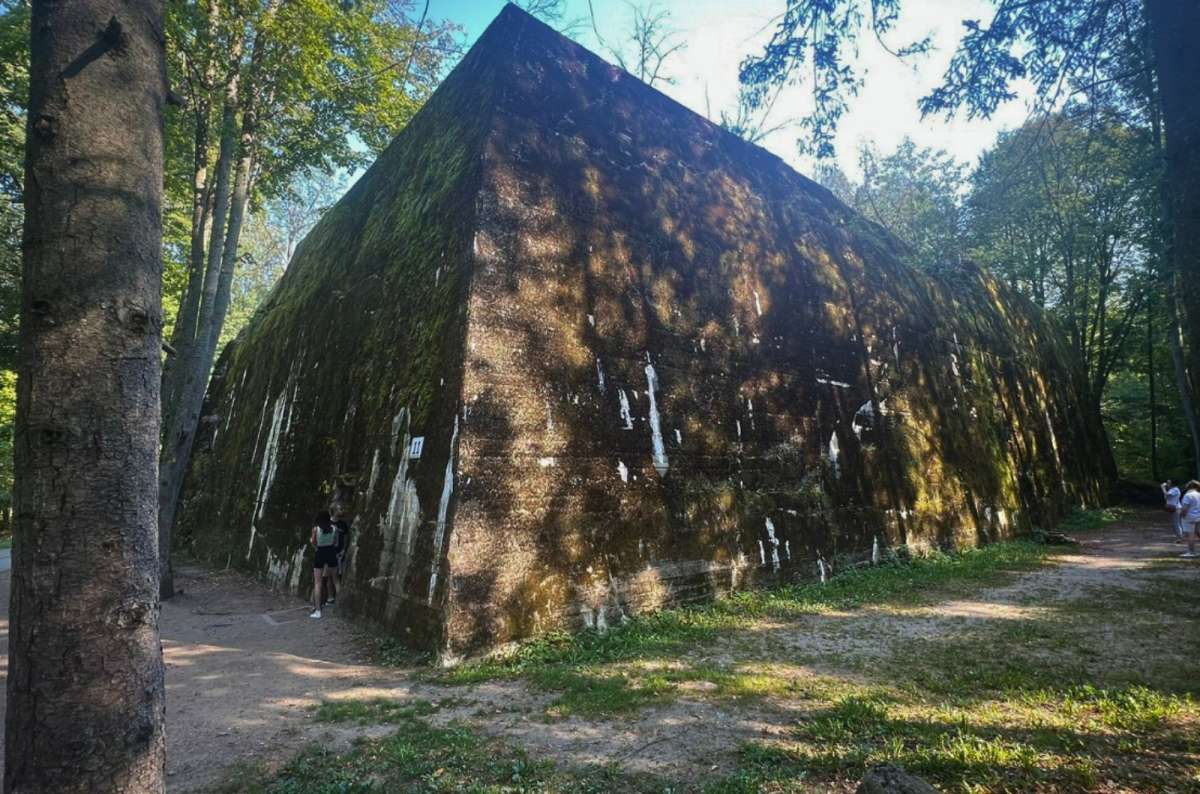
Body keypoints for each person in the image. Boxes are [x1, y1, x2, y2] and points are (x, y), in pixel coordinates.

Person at [310, 510, 339, 618]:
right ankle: (340, 607)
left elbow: (313, 542)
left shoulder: (316, 529)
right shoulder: (335, 529)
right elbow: (336, 542)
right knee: (336, 581)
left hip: (320, 553)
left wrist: (316, 548)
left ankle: (318, 611)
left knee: (318, 583)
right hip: (331, 552)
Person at [1179, 481, 1200, 559]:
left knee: (1190, 535)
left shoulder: (1187, 495)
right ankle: (1192, 551)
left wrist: (1181, 515)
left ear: (1188, 487)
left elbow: (1184, 508)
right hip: (1198, 517)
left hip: (1189, 517)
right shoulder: (1199, 494)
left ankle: (1191, 552)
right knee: (1198, 533)